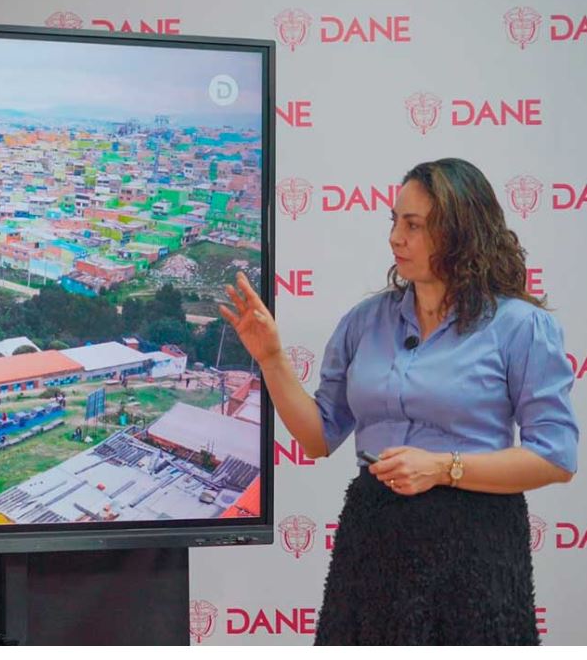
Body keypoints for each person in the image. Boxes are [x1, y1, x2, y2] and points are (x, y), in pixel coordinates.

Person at [220, 158, 578, 645]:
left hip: (475, 544)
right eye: (394, 221)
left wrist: (443, 468)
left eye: (413, 225)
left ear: (460, 232)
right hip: (374, 539)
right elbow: (318, 437)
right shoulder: (365, 321)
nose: (395, 238)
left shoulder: (521, 327)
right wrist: (271, 358)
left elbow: (555, 457)